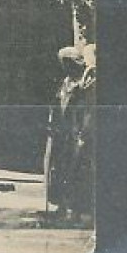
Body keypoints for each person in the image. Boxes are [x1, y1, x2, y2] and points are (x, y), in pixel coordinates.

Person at [45, 44, 95, 225]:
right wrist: (53, 123)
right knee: (62, 170)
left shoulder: (86, 82)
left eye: (66, 63)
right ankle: (64, 206)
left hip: (78, 133)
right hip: (64, 134)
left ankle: (79, 210)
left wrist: (84, 133)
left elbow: (88, 110)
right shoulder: (66, 82)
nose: (64, 67)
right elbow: (57, 104)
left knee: (78, 172)